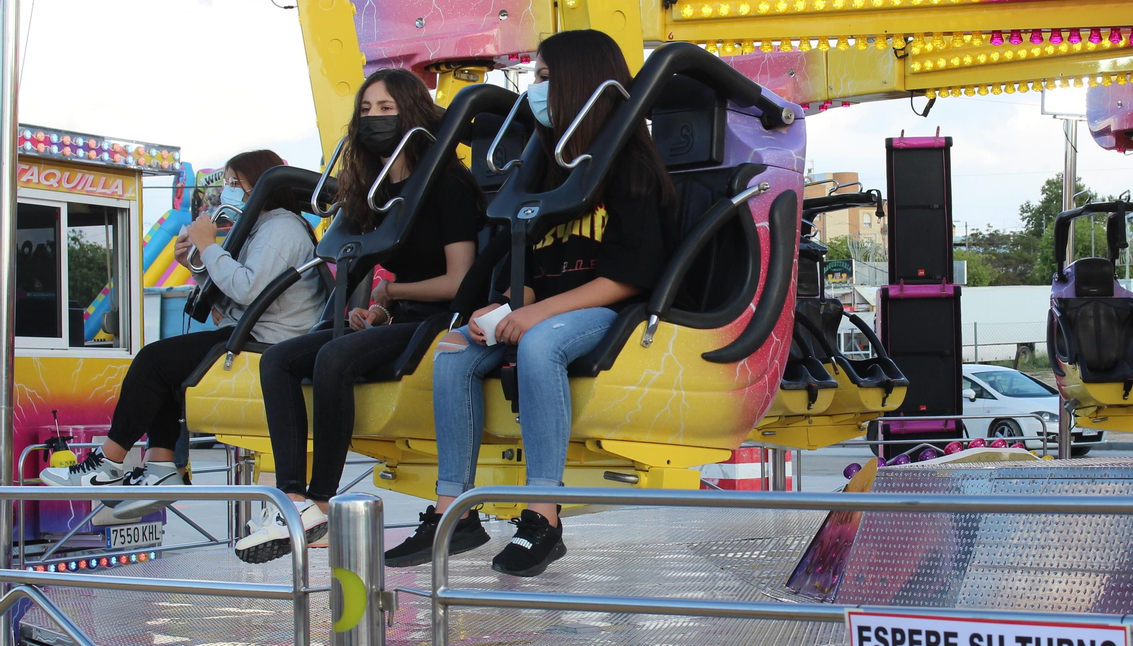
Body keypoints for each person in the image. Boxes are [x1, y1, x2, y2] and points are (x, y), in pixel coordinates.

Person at [383, 29, 676, 576]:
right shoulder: (546, 167)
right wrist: (501, 307)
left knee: (541, 344)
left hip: (610, 310)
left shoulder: (630, 165)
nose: (534, 90)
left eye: (543, 77)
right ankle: (453, 509)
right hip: (544, 308)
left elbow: (629, 277)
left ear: (580, 82)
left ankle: (544, 514)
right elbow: (534, 263)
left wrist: (536, 313)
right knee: (454, 349)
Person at [239, 68, 484, 562]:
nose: (374, 119)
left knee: (333, 359)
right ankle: (292, 497)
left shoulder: (446, 184)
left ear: (412, 114)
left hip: (441, 318)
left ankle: (321, 501)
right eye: (366, 110)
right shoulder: (374, 191)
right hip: (398, 315)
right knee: (279, 360)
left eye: (386, 109)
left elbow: (460, 281)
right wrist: (375, 308)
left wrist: (390, 292)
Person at [41, 150, 325, 515]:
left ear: (259, 184)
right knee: (167, 368)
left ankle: (107, 464)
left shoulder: (280, 228)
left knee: (154, 360)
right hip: (260, 330)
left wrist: (207, 246)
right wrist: (195, 263)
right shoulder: (262, 228)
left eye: (234, 182)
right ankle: (161, 468)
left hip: (275, 339)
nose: (227, 191)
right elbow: (231, 294)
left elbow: (246, 288)